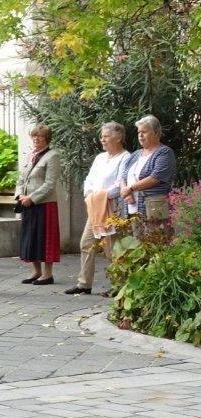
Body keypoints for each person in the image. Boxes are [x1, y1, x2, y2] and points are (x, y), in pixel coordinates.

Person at [66, 122, 130, 296]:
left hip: (113, 209)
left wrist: (102, 195)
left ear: (118, 137)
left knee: (113, 248)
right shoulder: (100, 158)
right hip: (96, 207)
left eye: (106, 136)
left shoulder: (125, 157)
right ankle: (84, 284)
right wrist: (89, 194)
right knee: (86, 243)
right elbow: (89, 179)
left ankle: (119, 286)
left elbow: (120, 184)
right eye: (102, 136)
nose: (102, 139)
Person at [16, 125, 62, 285]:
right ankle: (36, 271)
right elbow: (21, 178)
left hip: (44, 203)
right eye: (34, 136)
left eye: (40, 136)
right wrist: (20, 195)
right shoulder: (31, 155)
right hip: (27, 202)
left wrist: (32, 198)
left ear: (47, 139)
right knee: (30, 237)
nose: (36, 139)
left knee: (45, 237)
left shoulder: (53, 156)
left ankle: (48, 274)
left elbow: (50, 183)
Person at [119, 115, 176, 238]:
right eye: (139, 132)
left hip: (154, 209)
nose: (140, 135)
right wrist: (126, 192)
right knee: (137, 246)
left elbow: (156, 177)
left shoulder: (164, 152)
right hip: (133, 209)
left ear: (156, 133)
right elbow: (123, 175)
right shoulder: (136, 154)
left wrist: (130, 188)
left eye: (144, 132)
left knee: (157, 244)